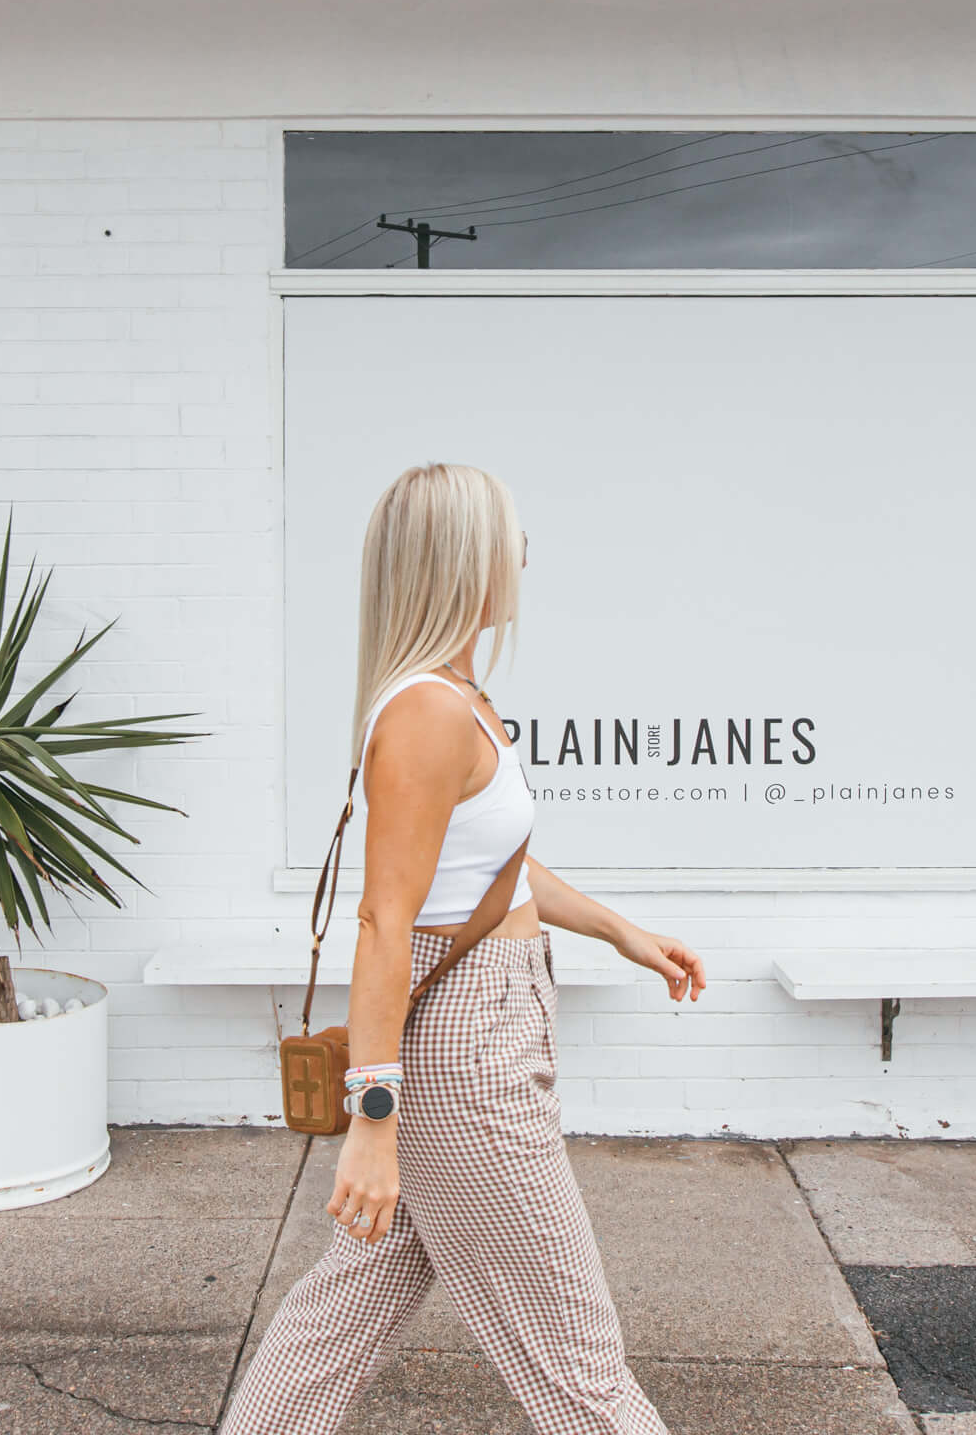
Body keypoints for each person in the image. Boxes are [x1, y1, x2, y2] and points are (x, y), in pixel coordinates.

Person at [222, 463, 706, 1435]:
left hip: (484, 1021)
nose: (522, 553)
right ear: (462, 560)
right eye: (507, 537)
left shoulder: (457, 695)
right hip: (464, 1056)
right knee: (581, 1365)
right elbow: (384, 920)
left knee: (337, 1318)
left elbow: (496, 872)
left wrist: (620, 928)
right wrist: (372, 1117)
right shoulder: (427, 712)